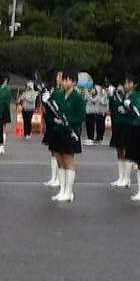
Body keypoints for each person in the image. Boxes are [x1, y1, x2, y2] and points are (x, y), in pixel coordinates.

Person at [44, 71, 86, 203]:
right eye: (64, 80)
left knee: (68, 161)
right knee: (59, 160)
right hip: (57, 131)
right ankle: (62, 190)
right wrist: (46, 103)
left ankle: (69, 191)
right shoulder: (57, 94)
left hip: (70, 132)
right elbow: (50, 112)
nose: (65, 82)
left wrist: (68, 120)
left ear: (73, 82)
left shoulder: (78, 97)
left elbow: (80, 117)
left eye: (68, 80)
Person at [108, 79, 138, 188]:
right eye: (125, 83)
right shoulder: (121, 95)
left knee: (126, 151)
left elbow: (136, 112)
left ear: (134, 85)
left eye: (129, 83)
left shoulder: (135, 96)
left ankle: (126, 178)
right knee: (119, 150)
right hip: (118, 125)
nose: (126, 85)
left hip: (128, 125)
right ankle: (120, 177)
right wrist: (111, 97)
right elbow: (113, 108)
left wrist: (130, 106)